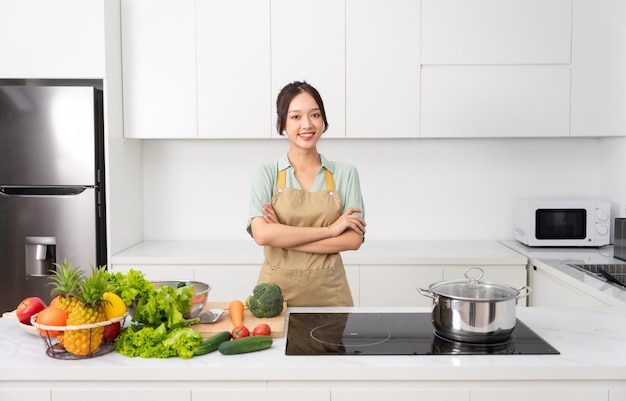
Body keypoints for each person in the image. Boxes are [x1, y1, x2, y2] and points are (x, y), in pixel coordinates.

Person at [246, 81, 366, 307]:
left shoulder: (346, 174)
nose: (307, 124)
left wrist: (282, 236)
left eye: (315, 115)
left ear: (323, 120)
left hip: (332, 298)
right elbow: (262, 235)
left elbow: (353, 239)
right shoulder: (265, 174)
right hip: (274, 301)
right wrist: (330, 230)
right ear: (281, 122)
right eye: (295, 117)